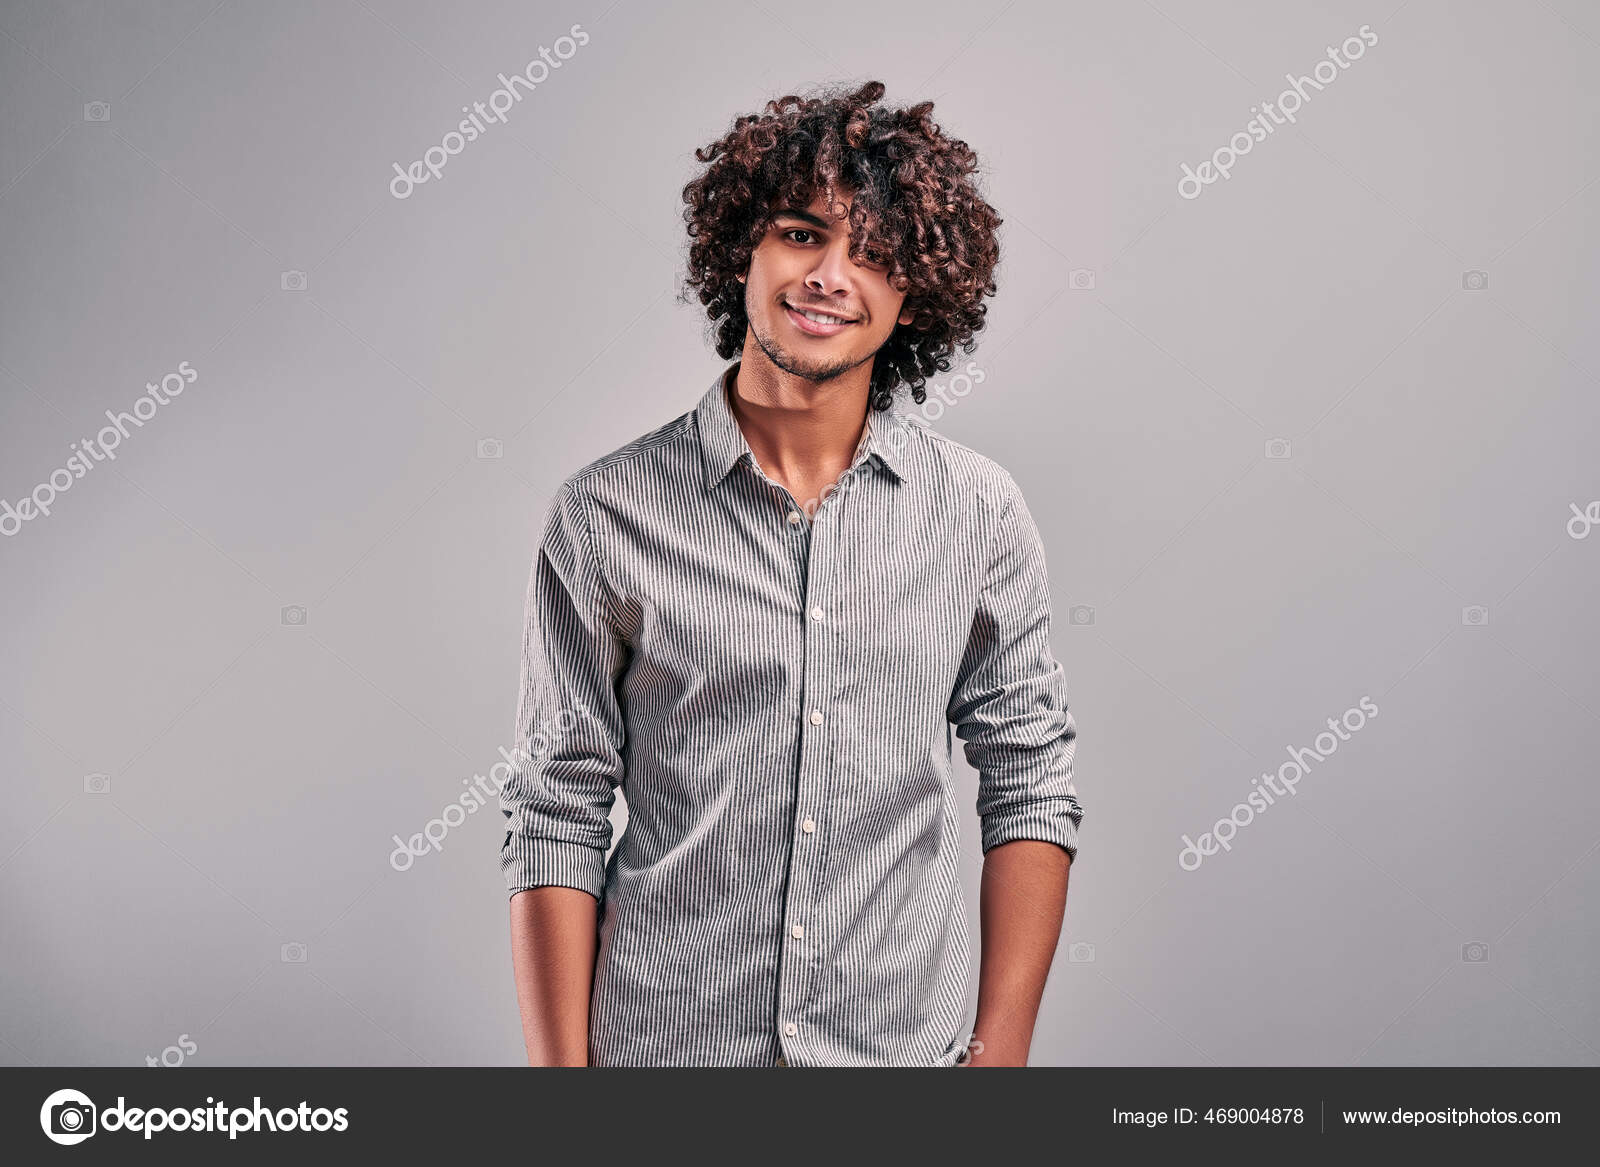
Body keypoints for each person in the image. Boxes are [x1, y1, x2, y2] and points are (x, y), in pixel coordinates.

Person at [501, 79, 1082, 1067]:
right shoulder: (603, 516)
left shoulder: (977, 513)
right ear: (745, 250)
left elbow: (1029, 779)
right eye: (803, 234)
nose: (829, 275)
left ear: (914, 296)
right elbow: (557, 806)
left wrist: (1002, 1056)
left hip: (901, 1058)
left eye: (874, 254)